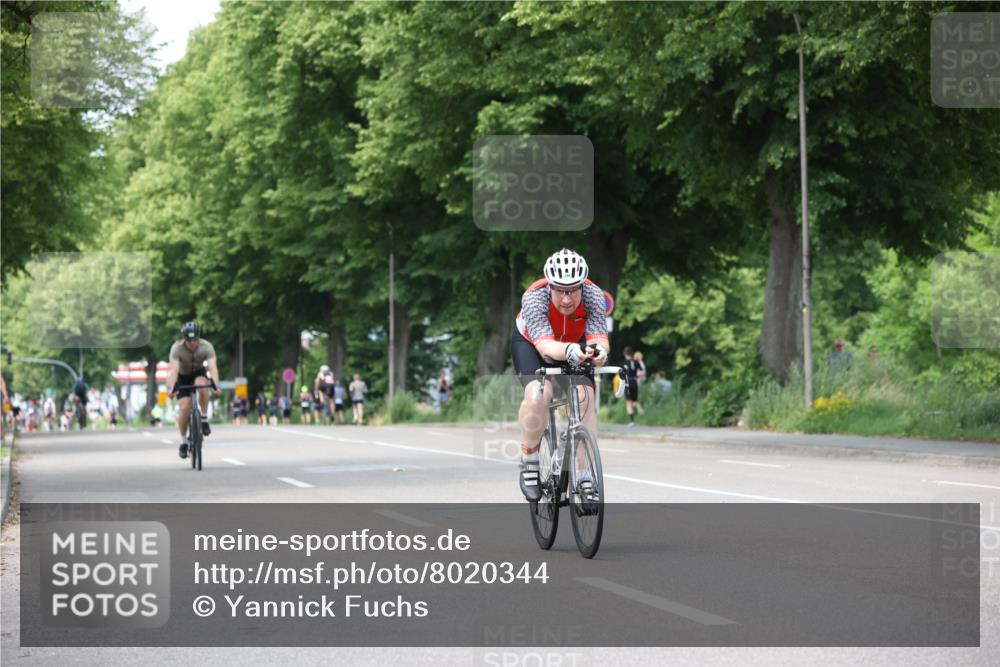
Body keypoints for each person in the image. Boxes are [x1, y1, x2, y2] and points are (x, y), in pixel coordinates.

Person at [511, 249, 609, 502]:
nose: (567, 298)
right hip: (532, 345)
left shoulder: (594, 295)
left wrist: (600, 352)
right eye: (561, 291)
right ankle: (530, 460)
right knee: (538, 394)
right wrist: (569, 350)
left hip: (575, 345)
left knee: (585, 397)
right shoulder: (534, 297)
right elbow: (545, 347)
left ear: (582, 286)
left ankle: (585, 476)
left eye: (574, 290)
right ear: (550, 286)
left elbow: (599, 337)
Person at [167, 321, 221, 459]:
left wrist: (216, 385)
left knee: (202, 385)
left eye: (195, 340)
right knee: (184, 407)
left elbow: (212, 368)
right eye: (188, 340)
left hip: (198, 373)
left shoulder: (207, 347)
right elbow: (173, 370)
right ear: (183, 338)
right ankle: (184, 441)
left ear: (199, 336)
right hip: (182, 376)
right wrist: (172, 388)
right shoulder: (176, 349)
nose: (192, 343)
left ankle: (203, 418)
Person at [621, 347, 645, 426]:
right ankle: (639, 408)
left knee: (629, 402)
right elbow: (642, 372)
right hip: (635, 382)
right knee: (635, 400)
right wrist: (637, 376)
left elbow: (621, 374)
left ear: (625, 354)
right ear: (632, 353)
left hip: (628, 383)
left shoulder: (624, 363)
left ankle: (632, 421)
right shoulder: (636, 362)